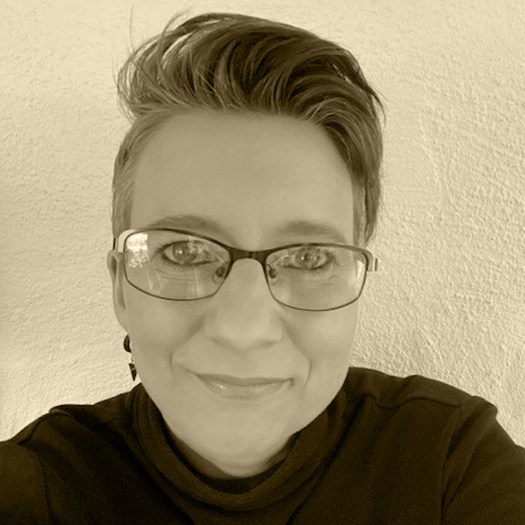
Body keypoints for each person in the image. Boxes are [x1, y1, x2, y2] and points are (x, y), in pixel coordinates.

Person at [1, 10, 524, 524]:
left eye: (308, 258)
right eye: (183, 253)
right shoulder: (39, 487)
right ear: (121, 287)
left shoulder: (450, 462)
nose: (243, 329)